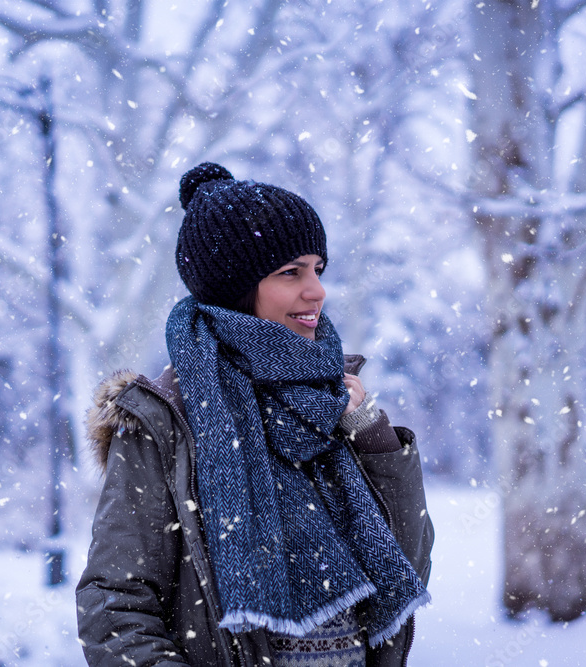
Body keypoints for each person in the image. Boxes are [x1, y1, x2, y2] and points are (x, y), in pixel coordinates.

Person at [76, 162, 433, 666]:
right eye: (291, 273)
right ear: (235, 288)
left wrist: (376, 441)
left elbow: (406, 570)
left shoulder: (332, 402)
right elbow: (115, 607)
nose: (317, 291)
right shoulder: (168, 420)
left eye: (317, 269)